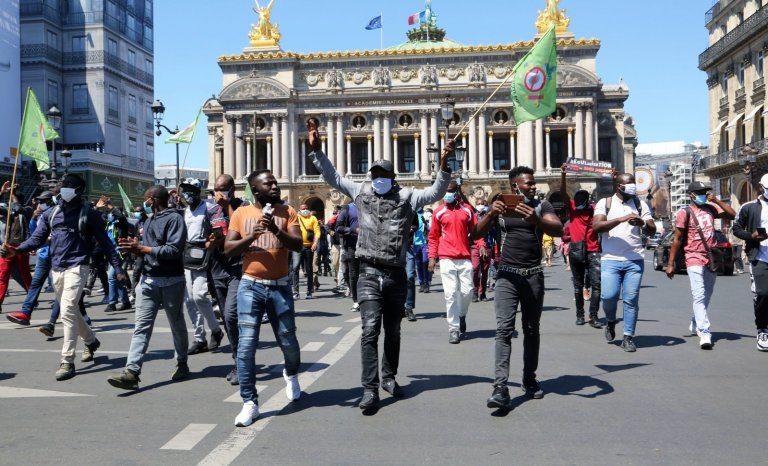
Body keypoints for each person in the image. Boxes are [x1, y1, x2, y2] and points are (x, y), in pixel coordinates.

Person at [309, 119, 453, 412]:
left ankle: (389, 377)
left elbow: (436, 193)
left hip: (396, 273)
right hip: (368, 271)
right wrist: (317, 152)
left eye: (383, 174)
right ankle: (369, 389)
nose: (378, 178)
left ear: (392, 175)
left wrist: (445, 164)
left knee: (394, 330)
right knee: (370, 329)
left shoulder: (407, 196)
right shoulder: (361, 192)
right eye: (374, 173)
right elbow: (333, 177)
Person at [5, 174, 125, 380]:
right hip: (57, 268)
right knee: (72, 311)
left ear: (78, 191)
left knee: (67, 310)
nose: (65, 189)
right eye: (64, 186)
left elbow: (106, 243)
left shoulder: (89, 214)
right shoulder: (52, 213)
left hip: (78, 267)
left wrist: (119, 268)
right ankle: (91, 341)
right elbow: (37, 238)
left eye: (70, 186)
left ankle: (67, 361)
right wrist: (17, 250)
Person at [473, 166, 563, 409]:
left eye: (533, 182)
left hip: (533, 276)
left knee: (532, 330)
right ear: (515, 186)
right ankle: (500, 387)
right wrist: (491, 215)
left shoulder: (541, 206)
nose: (533, 186)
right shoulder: (501, 209)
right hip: (506, 277)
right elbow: (475, 233)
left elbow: (558, 229)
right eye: (528, 183)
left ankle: (529, 378)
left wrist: (536, 219)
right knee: (503, 330)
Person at [224, 169, 303, 427]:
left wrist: (276, 231)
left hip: (280, 287)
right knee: (246, 344)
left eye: (275, 183)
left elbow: (298, 245)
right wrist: (253, 235)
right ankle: (249, 402)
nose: (274, 186)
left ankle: (291, 374)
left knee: (288, 340)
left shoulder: (287, 212)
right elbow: (228, 249)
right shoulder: (241, 213)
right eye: (268, 184)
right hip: (250, 285)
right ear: (255, 190)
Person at [107, 185, 189, 390]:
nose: (143, 203)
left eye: (146, 199)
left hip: (172, 281)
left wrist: (143, 248)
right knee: (141, 328)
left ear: (152, 199)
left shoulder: (175, 218)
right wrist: (132, 247)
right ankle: (132, 372)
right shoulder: (149, 219)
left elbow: (173, 249)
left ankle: (182, 363)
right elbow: (147, 248)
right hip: (148, 280)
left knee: (176, 325)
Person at [666, 181, 735, 349]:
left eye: (706, 191)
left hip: (711, 256)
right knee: (698, 294)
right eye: (702, 192)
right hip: (693, 256)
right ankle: (705, 333)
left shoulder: (711, 209)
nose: (705, 194)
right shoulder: (685, 212)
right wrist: (670, 263)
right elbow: (677, 239)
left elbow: (732, 215)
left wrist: (717, 201)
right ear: (692, 195)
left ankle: (696, 320)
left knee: (707, 294)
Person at [593, 173, 655, 352]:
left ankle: (628, 336)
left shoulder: (640, 204)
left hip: (634, 260)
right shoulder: (605, 203)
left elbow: (651, 231)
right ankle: (611, 321)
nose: (633, 187)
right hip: (610, 260)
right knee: (609, 296)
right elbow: (596, 227)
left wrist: (642, 222)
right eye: (629, 184)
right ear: (619, 186)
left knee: (631, 299)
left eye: (634, 183)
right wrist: (620, 219)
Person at [206, 174, 249, 384]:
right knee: (226, 318)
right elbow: (206, 242)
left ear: (232, 188)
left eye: (223, 188)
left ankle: (242, 363)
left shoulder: (242, 207)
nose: (219, 192)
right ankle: (238, 360)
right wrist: (211, 243)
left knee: (232, 315)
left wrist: (227, 206)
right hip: (217, 270)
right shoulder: (211, 212)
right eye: (216, 189)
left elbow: (241, 229)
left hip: (238, 269)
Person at [428, 180, 477, 343]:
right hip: (446, 258)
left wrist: (481, 244)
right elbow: (433, 236)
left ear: (456, 192)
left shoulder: (467, 210)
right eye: (445, 191)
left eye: (450, 191)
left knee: (467, 292)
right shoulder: (439, 212)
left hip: (464, 258)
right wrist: (432, 257)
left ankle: (461, 314)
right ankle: (453, 329)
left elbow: (476, 232)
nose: (447, 194)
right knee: (450, 295)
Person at [179, 178, 224, 355]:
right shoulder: (184, 212)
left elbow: (220, 230)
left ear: (198, 191)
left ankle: (216, 329)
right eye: (185, 190)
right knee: (189, 300)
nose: (186, 193)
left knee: (199, 296)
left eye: (190, 190)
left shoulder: (210, 208)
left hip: (206, 257)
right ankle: (199, 338)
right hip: (187, 256)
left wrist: (213, 239)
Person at [560, 166, 603, 328]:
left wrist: (613, 179)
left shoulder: (594, 211)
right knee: (578, 286)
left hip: (592, 251)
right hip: (577, 251)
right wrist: (563, 175)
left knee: (596, 285)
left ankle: (593, 316)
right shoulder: (572, 210)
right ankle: (580, 315)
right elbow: (563, 193)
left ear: (586, 200)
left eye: (579, 200)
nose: (577, 202)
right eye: (575, 200)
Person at [732, 173, 768, 351]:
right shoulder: (749, 208)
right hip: (760, 257)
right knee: (763, 294)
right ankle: (762, 329)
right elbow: (736, 228)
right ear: (762, 188)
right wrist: (751, 236)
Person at [0, 181, 33, 311]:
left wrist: (13, 195)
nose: (10, 203)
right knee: (3, 275)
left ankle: (32, 298)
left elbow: (19, 209)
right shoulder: (9, 211)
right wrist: (2, 192)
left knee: (25, 274)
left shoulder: (27, 209)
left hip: (21, 247)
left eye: (12, 200)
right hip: (8, 246)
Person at [104, 208, 132, 312]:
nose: (109, 215)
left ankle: (112, 303)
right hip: (111, 254)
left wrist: (111, 207)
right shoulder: (108, 224)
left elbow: (122, 218)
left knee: (111, 277)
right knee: (118, 277)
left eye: (111, 214)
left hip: (119, 253)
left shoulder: (121, 224)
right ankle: (126, 302)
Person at [291, 203, 320, 299]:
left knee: (309, 269)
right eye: (303, 209)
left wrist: (315, 243)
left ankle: (309, 291)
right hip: (297, 246)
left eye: (307, 208)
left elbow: (317, 231)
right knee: (295, 268)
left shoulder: (313, 218)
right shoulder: (296, 217)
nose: (305, 210)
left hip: (309, 247)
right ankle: (296, 292)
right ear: (299, 210)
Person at [336, 202, 360, 311]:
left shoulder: (370, 205)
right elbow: (339, 227)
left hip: (370, 245)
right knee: (353, 274)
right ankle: (356, 300)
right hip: (352, 245)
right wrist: (353, 230)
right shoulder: (347, 208)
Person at [471, 200, 493, 302]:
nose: (480, 206)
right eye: (478, 204)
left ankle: (482, 293)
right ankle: (475, 292)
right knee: (475, 268)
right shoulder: (473, 217)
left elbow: (495, 232)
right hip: (475, 246)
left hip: (487, 246)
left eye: (482, 204)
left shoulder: (490, 218)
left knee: (485, 272)